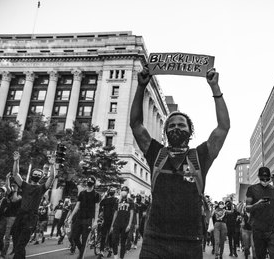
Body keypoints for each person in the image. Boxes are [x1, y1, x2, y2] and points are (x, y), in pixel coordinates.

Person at [130, 65, 230, 258]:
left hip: (190, 243)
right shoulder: (156, 153)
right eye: (172, 125)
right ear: (166, 131)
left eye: (181, 124)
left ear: (190, 131)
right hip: (154, 240)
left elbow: (223, 127)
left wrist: (215, 88)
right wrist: (141, 87)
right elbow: (136, 124)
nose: (176, 127)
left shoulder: (200, 156)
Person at [11, 151, 56, 259]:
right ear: (32, 175)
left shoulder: (41, 188)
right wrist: (16, 161)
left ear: (40, 178)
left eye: (39, 175)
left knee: (21, 244)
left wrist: (52, 165)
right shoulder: (25, 185)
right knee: (16, 243)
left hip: (31, 218)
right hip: (20, 216)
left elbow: (51, 178)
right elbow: (15, 174)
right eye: (35, 174)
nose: (36, 176)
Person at [246, 166, 274, 259]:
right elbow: (247, 208)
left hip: (273, 230)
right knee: (260, 256)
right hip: (258, 230)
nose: (265, 180)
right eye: (262, 178)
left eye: (267, 178)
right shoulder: (252, 189)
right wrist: (257, 204)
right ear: (258, 177)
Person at [67, 175, 100, 259]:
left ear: (94, 183)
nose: (89, 182)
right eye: (88, 180)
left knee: (85, 240)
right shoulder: (82, 193)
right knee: (74, 237)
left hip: (88, 220)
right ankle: (82, 251)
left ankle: (81, 256)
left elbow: (97, 208)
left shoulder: (96, 195)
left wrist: (95, 220)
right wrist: (70, 217)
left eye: (91, 181)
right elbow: (77, 206)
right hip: (79, 218)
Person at [0, 173, 22, 259]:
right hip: (3, 216)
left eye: (15, 184)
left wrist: (16, 189)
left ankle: (2, 255)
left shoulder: (20, 194)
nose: (13, 185)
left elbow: (15, 200)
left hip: (12, 217)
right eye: (12, 184)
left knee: (7, 237)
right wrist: (7, 178)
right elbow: (7, 187)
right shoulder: (10, 192)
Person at [110, 186, 134, 259]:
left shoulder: (130, 201)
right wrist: (112, 225)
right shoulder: (118, 201)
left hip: (125, 224)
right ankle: (115, 255)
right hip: (117, 223)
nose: (123, 192)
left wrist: (129, 225)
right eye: (122, 190)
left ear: (127, 192)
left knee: (123, 243)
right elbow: (115, 213)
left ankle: (121, 257)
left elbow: (131, 213)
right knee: (114, 240)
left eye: (125, 191)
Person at [97, 188, 118, 256]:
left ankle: (105, 250)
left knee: (106, 235)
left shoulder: (107, 200)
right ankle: (106, 250)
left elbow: (100, 205)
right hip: (109, 220)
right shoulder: (115, 200)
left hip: (108, 220)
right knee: (108, 235)